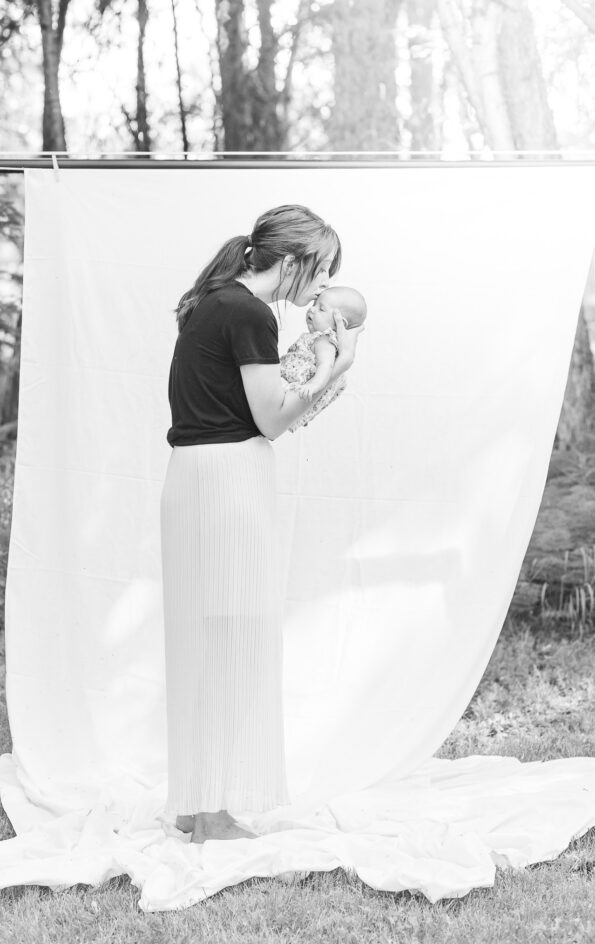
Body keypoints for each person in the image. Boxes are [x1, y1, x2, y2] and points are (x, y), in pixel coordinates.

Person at [160, 203, 365, 845]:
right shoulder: (247, 312)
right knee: (232, 638)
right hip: (227, 482)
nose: (323, 283)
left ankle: (198, 802)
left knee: (204, 639)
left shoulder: (215, 301)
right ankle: (214, 817)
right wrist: (341, 361)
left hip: (194, 476)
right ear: (294, 260)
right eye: (323, 267)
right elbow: (273, 416)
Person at [280, 285, 367, 432]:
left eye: (321, 309)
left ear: (339, 323)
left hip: (291, 388)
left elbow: (325, 366)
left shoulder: (325, 340)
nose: (312, 309)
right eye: (314, 304)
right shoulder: (319, 339)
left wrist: (314, 384)